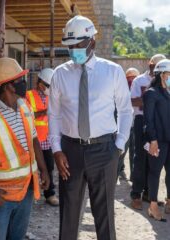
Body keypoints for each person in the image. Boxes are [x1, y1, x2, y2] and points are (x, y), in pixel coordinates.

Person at [49, 15, 133, 240]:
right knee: (68, 216)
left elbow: (126, 111)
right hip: (70, 152)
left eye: (79, 45)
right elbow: (54, 115)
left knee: (104, 218)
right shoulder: (60, 75)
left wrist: (118, 147)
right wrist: (56, 150)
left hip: (104, 150)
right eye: (70, 46)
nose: (74, 50)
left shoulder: (113, 71)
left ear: (92, 43)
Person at [0, 57, 50, 240]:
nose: (24, 83)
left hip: (26, 190)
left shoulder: (24, 107)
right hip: (1, 195)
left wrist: (43, 170)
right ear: (8, 86)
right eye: (20, 80)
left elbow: (34, 140)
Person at [130, 54, 166, 210]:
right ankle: (136, 194)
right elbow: (133, 101)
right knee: (140, 157)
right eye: (154, 65)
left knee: (155, 160)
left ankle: (149, 194)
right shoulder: (139, 81)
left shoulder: (165, 84)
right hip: (141, 122)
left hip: (158, 124)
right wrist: (151, 102)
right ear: (150, 64)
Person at [26, 68, 59, 206]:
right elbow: (28, 114)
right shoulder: (28, 95)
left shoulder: (52, 96)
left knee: (49, 167)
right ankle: (28, 193)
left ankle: (49, 193)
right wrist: (47, 111)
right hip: (33, 139)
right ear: (40, 83)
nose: (49, 89)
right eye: (48, 85)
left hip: (47, 138)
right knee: (30, 168)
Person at [143, 59, 170, 222]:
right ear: (161, 74)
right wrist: (152, 140)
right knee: (155, 172)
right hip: (158, 141)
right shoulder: (151, 93)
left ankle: (169, 201)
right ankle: (153, 206)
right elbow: (148, 119)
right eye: (169, 74)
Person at [117, 67, 140, 180]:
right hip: (124, 127)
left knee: (134, 153)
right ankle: (118, 171)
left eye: (133, 77)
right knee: (121, 152)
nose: (131, 80)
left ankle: (133, 176)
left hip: (136, 126)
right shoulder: (121, 89)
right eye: (128, 77)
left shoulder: (139, 88)